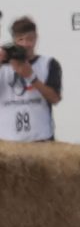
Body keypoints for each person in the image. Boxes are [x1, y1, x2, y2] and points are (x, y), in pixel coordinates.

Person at [0, 16, 62, 144]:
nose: (25, 44)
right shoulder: (3, 67)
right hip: (7, 140)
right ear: (14, 41)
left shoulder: (48, 64)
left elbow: (55, 98)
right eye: (20, 39)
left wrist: (31, 77)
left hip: (41, 139)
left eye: (29, 39)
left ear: (36, 38)